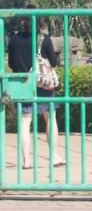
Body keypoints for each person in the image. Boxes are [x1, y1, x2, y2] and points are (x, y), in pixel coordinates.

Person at [7, 12, 65, 168]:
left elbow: (12, 64)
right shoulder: (43, 39)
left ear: (22, 20)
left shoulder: (14, 39)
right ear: (39, 20)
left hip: (24, 83)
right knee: (50, 117)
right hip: (43, 84)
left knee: (25, 121)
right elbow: (53, 62)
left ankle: (26, 161)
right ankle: (54, 156)